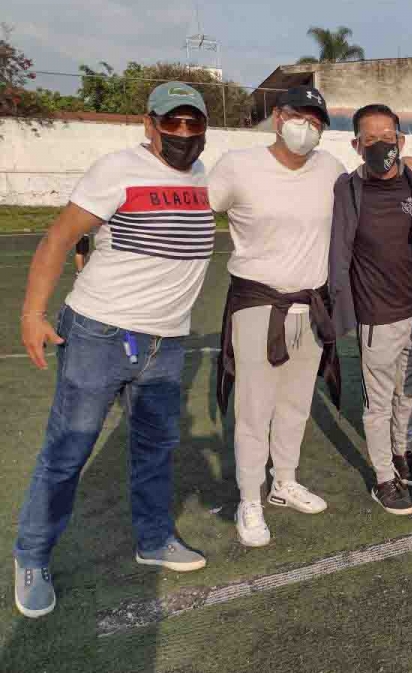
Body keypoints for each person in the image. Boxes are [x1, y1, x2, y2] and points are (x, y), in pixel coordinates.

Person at [14, 82, 213, 618]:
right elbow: (59, 236)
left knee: (155, 450)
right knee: (68, 451)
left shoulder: (202, 177)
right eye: (172, 123)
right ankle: (31, 556)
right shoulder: (116, 169)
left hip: (165, 342)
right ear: (149, 124)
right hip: (100, 335)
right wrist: (32, 314)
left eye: (193, 123)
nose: (183, 133)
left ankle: (153, 540)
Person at [209, 87, 345, 548]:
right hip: (257, 304)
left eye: (316, 120)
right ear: (277, 116)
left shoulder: (330, 169)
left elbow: (364, 198)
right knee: (254, 408)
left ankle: (284, 481)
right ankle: (250, 496)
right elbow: (196, 211)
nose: (305, 127)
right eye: (296, 115)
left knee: (296, 403)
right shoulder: (238, 165)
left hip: (312, 303)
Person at [329, 104, 412, 516]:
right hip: (376, 316)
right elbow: (339, 252)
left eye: (388, 137)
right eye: (370, 140)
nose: (380, 145)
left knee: (409, 393)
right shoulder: (347, 189)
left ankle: (401, 452)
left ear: (401, 141)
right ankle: (384, 477)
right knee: (378, 402)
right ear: (356, 145)